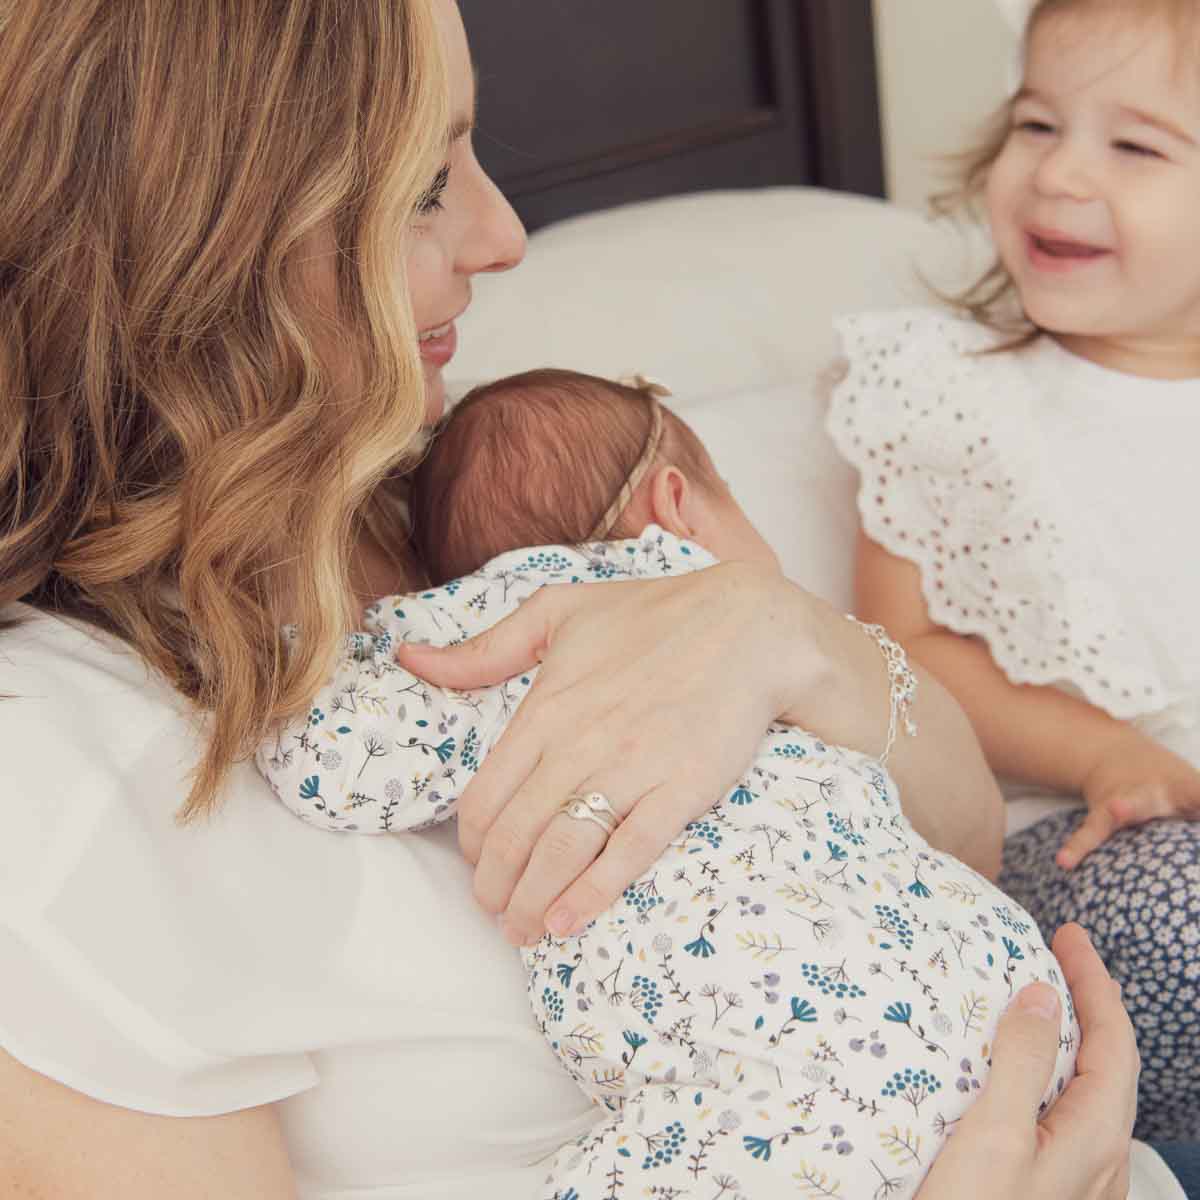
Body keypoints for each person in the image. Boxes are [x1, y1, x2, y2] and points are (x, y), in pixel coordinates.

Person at [0, 2, 1179, 1197]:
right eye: (422, 185)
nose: (506, 235)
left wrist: (780, 633)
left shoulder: (471, 497)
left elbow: (966, 835)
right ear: (192, 247)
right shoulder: (55, 782)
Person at [258, 368, 1067, 1198]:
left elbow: (337, 766)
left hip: (801, 1072)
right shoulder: (736, 638)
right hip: (1004, 998)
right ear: (677, 501)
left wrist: (299, 648)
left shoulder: (486, 633)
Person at [826, 0, 1200, 1143]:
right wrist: (1107, 752)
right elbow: (903, 654)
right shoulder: (948, 397)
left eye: (1134, 145)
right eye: (1038, 123)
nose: (1057, 176)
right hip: (1083, 841)